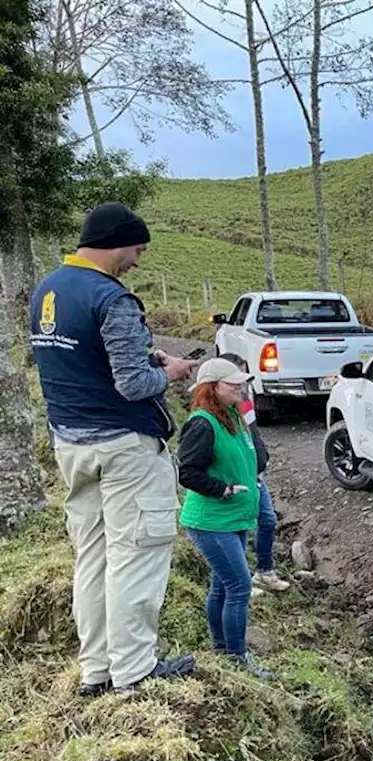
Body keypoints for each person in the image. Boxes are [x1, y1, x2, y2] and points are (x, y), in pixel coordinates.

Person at [29, 202, 197, 695]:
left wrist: (145, 355)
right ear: (118, 241)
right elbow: (131, 384)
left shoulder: (48, 288)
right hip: (123, 447)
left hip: (72, 443)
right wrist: (170, 372)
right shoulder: (112, 298)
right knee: (136, 552)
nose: (138, 261)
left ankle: (96, 669)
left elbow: (84, 360)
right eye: (138, 249)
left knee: (93, 555)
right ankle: (134, 669)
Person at [177, 358, 274, 680]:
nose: (241, 386)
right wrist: (224, 490)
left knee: (222, 586)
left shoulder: (235, 416)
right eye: (233, 384)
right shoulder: (202, 423)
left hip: (234, 519)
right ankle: (237, 656)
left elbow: (253, 456)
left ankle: (221, 648)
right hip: (211, 521)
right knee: (240, 586)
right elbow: (187, 472)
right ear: (213, 388)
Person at [220, 353, 289, 593]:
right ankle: (241, 579)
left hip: (256, 472)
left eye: (244, 380)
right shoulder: (218, 414)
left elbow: (253, 434)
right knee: (239, 528)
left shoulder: (245, 401)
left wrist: (262, 458)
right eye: (236, 381)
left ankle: (264, 571)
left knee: (268, 520)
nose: (243, 386)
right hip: (238, 477)